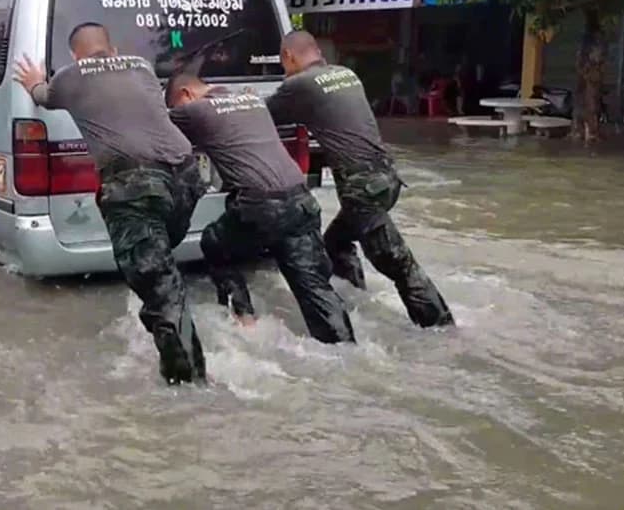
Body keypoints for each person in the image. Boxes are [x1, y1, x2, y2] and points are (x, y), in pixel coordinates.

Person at [13, 23, 207, 385]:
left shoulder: (71, 76)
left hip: (137, 186)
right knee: (159, 270)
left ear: (75, 55)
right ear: (113, 50)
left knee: (161, 289)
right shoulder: (141, 66)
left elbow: (41, 94)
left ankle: (191, 388)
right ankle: (168, 311)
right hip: (188, 177)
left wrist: (35, 80)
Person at [267, 31, 454, 329]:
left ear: (289, 56)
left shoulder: (299, 84)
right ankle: (357, 298)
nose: (283, 68)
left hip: (362, 190)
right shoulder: (345, 74)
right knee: (337, 242)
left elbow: (261, 115)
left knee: (400, 265)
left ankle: (442, 329)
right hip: (387, 180)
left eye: (282, 62)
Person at [166, 70, 356, 344]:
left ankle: (245, 321)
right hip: (301, 200)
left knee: (214, 243)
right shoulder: (253, 102)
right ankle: (345, 347)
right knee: (313, 288)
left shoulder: (195, 109)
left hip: (262, 205)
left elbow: (151, 122)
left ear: (186, 94)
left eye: (177, 104)